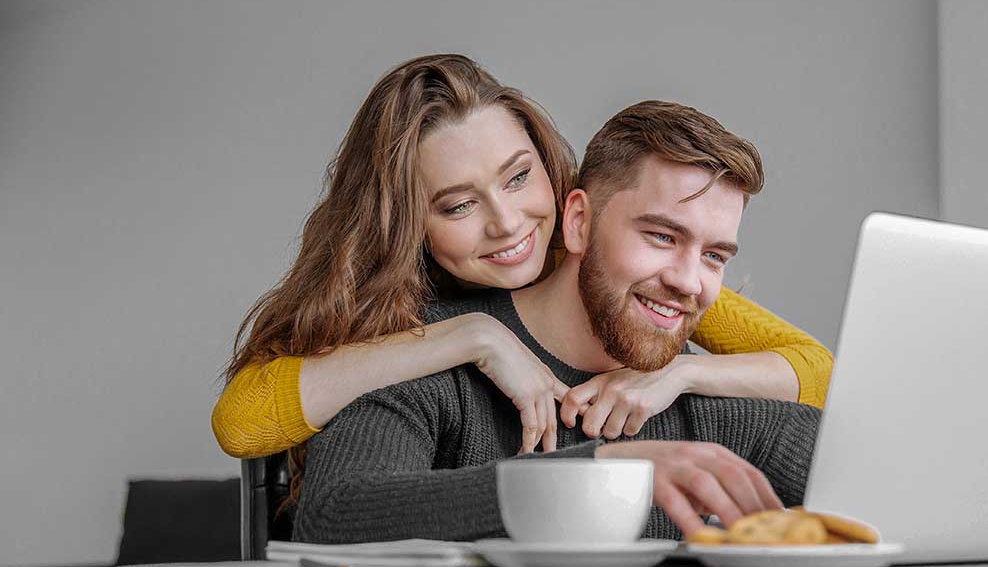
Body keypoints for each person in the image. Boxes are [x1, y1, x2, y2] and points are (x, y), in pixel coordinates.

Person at [211, 54, 832, 506]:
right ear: (407, 225)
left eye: (517, 178)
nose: (509, 224)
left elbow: (822, 373)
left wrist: (684, 371)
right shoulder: (403, 319)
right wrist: (472, 336)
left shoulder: (618, 267)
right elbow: (243, 425)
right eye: (458, 206)